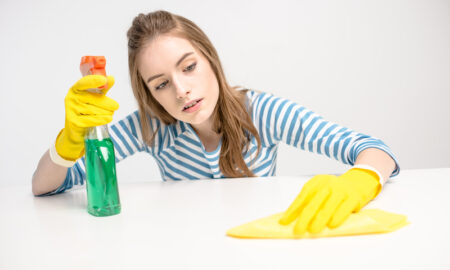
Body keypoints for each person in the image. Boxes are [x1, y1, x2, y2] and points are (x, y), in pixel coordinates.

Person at [32, 10, 399, 235]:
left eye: (189, 67)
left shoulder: (262, 113)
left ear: (210, 58)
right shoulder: (151, 127)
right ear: (149, 94)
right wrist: (68, 144)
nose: (181, 91)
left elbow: (374, 150)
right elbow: (44, 187)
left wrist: (361, 179)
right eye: (161, 84)